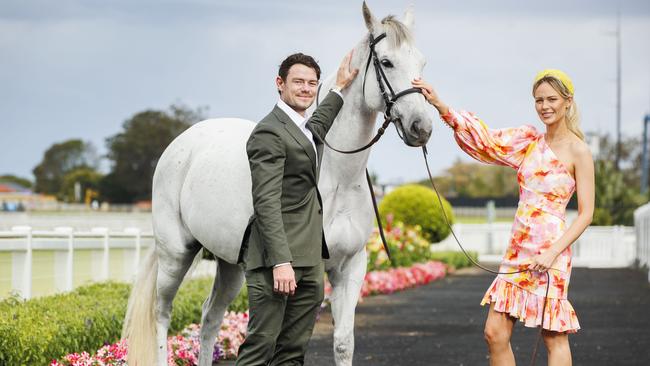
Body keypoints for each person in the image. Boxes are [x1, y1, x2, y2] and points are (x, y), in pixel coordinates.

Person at [413, 69, 594, 366]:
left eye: (551, 99)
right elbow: (486, 141)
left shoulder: (579, 151)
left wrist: (552, 251)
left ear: (567, 102)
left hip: (552, 252)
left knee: (553, 335)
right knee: (494, 333)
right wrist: (441, 106)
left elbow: (586, 214)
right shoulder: (528, 141)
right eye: (539, 100)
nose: (545, 106)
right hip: (517, 249)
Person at [236, 51, 358, 366]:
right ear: (280, 84)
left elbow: (317, 125)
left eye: (311, 83)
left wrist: (338, 89)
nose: (305, 89)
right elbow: (265, 202)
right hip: (276, 262)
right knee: (260, 349)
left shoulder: (303, 128)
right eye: (298, 82)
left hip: (309, 259)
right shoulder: (269, 132)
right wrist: (280, 262)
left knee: (292, 353)